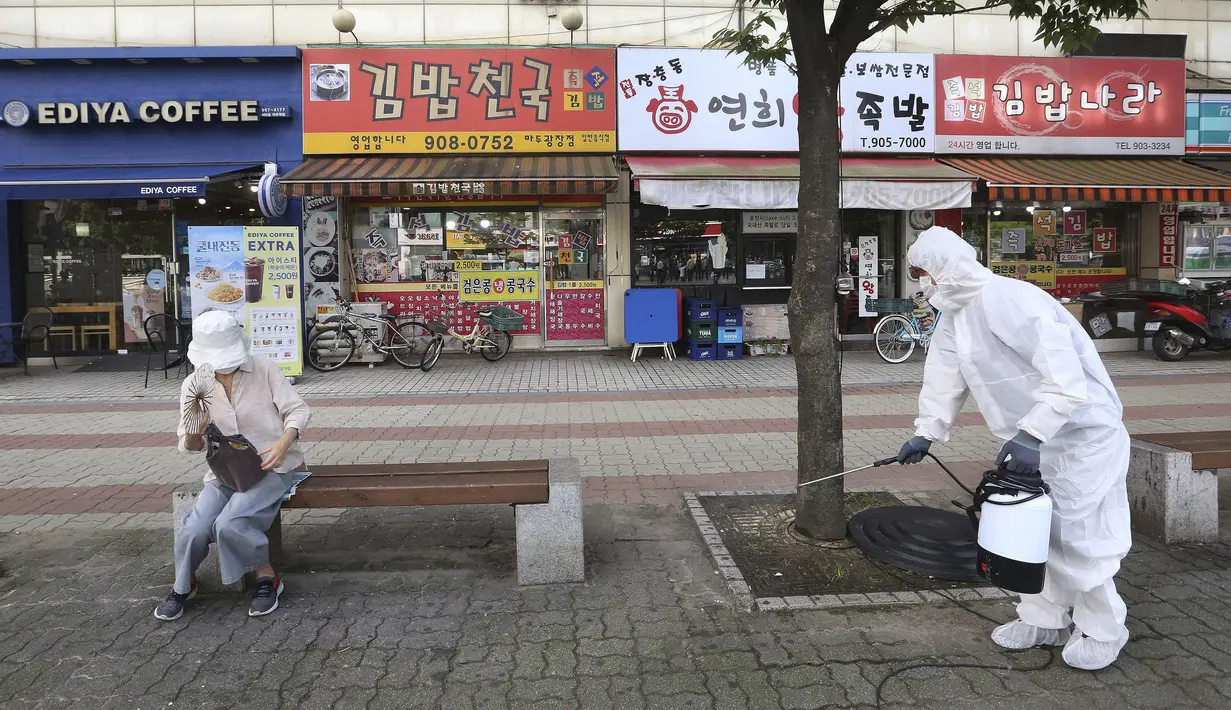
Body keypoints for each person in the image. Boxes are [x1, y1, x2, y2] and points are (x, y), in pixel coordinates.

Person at [895, 226, 1131, 671]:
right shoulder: (956, 315)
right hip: (1034, 440)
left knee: (1078, 538)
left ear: (946, 265)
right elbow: (944, 376)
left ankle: (1104, 629)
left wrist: (1032, 433)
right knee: (1032, 533)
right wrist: (927, 431)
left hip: (1083, 436)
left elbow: (1064, 375)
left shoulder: (1010, 298)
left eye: (923, 271)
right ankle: (1043, 618)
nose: (921, 282)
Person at [155, 311, 311, 621]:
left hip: (273, 466)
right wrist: (193, 432)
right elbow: (190, 446)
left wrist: (283, 442)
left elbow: (298, 411)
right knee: (196, 527)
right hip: (225, 472)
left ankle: (267, 578)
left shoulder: (264, 369)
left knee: (229, 523)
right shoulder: (193, 385)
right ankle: (183, 585)